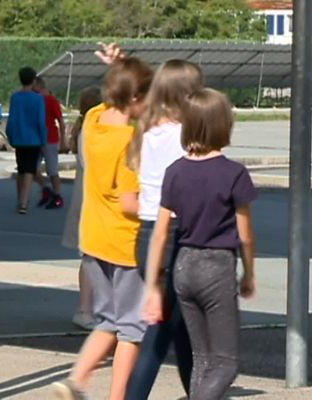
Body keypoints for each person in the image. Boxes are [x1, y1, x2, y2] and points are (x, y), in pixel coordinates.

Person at [144, 88, 257, 400]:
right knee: (226, 363)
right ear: (224, 125)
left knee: (203, 359)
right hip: (217, 266)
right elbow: (245, 234)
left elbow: (161, 233)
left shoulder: (174, 172)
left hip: (183, 265)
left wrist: (154, 285)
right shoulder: (234, 173)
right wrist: (249, 273)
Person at [52, 57, 154, 400]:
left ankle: (76, 380)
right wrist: (160, 210)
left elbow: (111, 98)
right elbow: (129, 202)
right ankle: (118, 397)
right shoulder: (129, 141)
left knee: (107, 320)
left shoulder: (94, 119)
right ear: (137, 99)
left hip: (91, 238)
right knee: (131, 329)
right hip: (123, 242)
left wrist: (119, 64)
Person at [124, 59, 205, 400]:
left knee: (181, 329)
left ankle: (199, 392)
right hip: (173, 233)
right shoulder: (183, 137)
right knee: (162, 331)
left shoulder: (147, 132)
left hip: (146, 232)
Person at [61, 87, 102, 330]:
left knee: (91, 257)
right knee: (91, 257)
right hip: (91, 199)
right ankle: (85, 309)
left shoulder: (84, 127)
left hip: (87, 197)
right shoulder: (91, 129)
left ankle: (89, 308)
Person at [5, 66, 47, 215]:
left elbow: (12, 119)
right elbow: (40, 121)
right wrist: (44, 138)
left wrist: (10, 135)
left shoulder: (15, 97)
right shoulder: (38, 99)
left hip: (19, 137)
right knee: (30, 170)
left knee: (21, 169)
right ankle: (24, 201)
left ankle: (20, 199)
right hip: (34, 138)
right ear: (34, 80)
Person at [33, 76, 65, 209]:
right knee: (32, 168)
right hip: (36, 138)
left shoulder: (51, 100)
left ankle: (57, 196)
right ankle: (46, 189)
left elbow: (60, 121)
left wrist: (63, 140)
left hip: (50, 138)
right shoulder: (35, 100)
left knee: (52, 170)